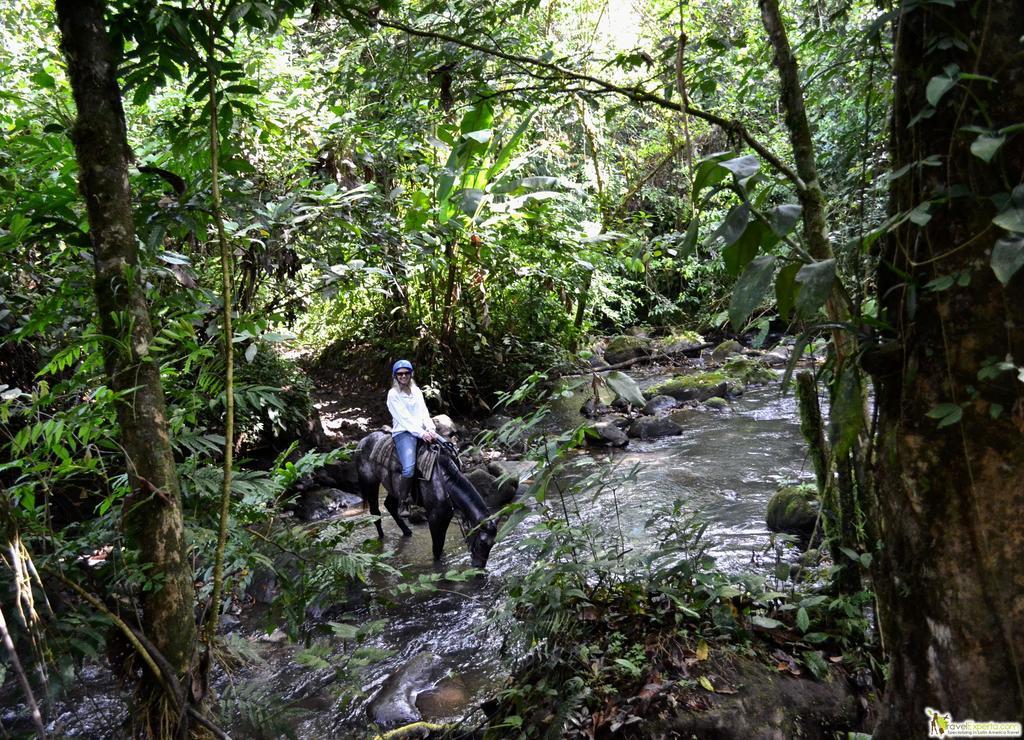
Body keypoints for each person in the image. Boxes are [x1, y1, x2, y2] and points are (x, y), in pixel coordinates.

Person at [387, 359, 437, 504]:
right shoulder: (393, 394)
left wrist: (431, 428)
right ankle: (403, 501)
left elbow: (423, 411)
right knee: (409, 469)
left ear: (411, 374)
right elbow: (404, 418)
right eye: (400, 374)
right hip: (403, 432)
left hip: (422, 430)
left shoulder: (416, 390)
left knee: (447, 447)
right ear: (395, 376)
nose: (403, 376)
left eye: (406, 373)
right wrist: (422, 433)